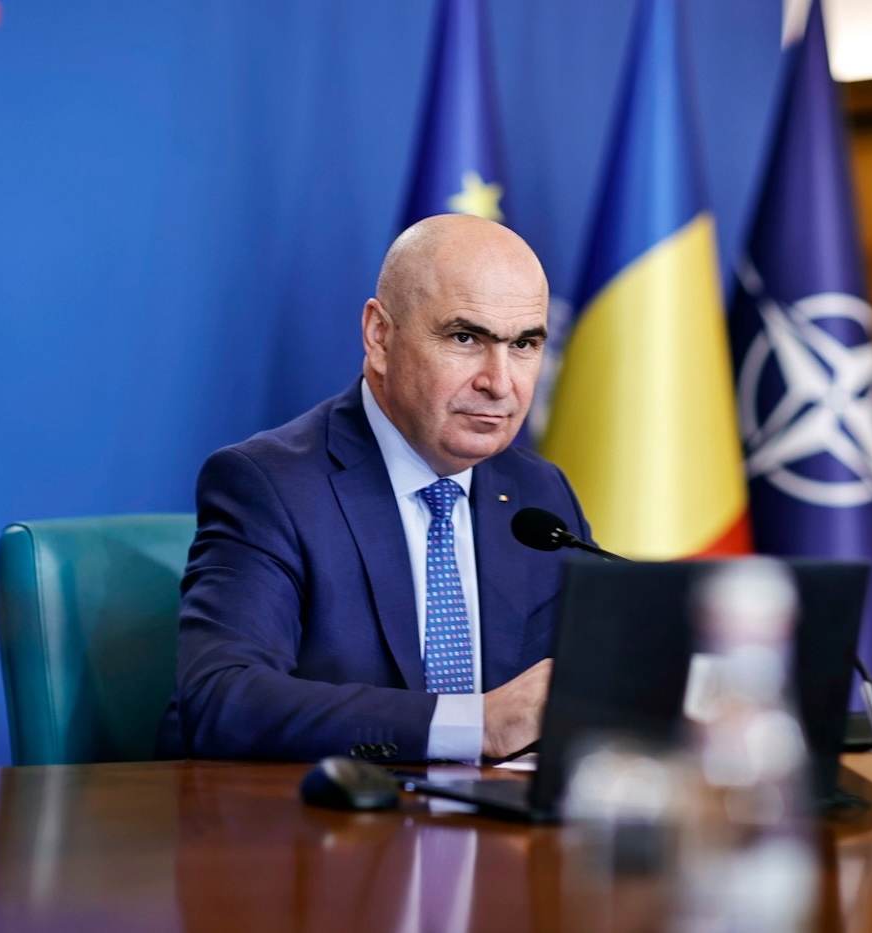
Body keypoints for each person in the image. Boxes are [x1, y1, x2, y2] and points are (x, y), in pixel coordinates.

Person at [160, 214, 591, 762]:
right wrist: (475, 724)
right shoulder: (271, 486)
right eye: (465, 338)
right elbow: (222, 699)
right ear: (380, 336)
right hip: (317, 812)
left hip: (496, 814)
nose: (499, 382)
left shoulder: (540, 495)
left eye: (525, 344)